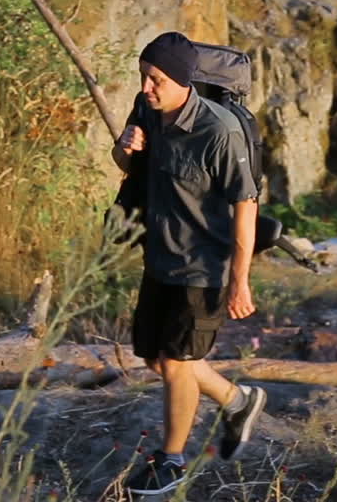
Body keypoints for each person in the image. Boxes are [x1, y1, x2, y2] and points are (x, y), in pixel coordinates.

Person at [111, 31, 267, 497]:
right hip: (159, 255)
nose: (146, 88)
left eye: (155, 79)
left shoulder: (220, 131)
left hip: (205, 266)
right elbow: (126, 167)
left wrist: (241, 281)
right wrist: (124, 146)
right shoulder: (147, 113)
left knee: (178, 363)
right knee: (157, 360)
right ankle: (237, 401)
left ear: (182, 82)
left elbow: (246, 208)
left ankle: (171, 461)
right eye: (143, 77)